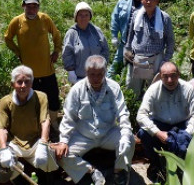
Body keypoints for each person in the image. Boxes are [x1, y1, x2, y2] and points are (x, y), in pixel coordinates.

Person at [54, 55, 135, 185]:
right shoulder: (77, 90)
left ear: (105, 72)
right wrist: (63, 140)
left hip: (108, 133)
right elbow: (69, 117)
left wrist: (125, 135)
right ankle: (91, 171)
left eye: (100, 74)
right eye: (92, 74)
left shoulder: (114, 88)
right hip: (83, 135)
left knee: (129, 139)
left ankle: (119, 171)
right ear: (86, 73)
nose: (96, 78)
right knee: (61, 154)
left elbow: (123, 114)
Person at [4, 0, 63, 131]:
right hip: (29, 72)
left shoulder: (44, 19)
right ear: (23, 6)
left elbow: (56, 34)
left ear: (38, 7)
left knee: (53, 96)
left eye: (34, 6)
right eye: (28, 6)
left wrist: (56, 51)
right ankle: (38, 124)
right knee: (33, 99)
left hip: (47, 69)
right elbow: (7, 38)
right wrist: (18, 52)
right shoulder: (17, 21)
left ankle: (53, 122)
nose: (31, 9)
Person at [136, 61, 194, 183]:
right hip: (160, 124)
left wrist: (186, 134)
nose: (170, 80)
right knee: (144, 133)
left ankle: (185, 166)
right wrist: (157, 132)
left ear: (179, 75)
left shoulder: (188, 89)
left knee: (193, 136)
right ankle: (155, 164)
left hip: (182, 125)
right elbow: (141, 115)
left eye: (173, 75)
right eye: (165, 76)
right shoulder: (153, 90)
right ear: (161, 76)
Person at [124, 0, 175, 99]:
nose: (148, 2)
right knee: (132, 89)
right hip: (136, 57)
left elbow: (170, 41)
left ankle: (154, 112)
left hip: (156, 58)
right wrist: (127, 50)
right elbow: (130, 34)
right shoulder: (136, 15)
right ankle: (133, 110)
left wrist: (166, 60)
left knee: (156, 90)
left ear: (157, 1)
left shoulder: (164, 18)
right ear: (141, 0)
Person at [107, 0, 145, 79]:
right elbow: (115, 19)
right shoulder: (122, 2)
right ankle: (105, 88)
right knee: (114, 68)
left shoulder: (148, 2)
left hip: (141, 46)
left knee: (137, 70)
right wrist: (114, 36)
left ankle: (135, 92)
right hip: (124, 43)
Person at [62, 2, 110, 84]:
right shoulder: (71, 33)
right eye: (80, 15)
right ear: (76, 17)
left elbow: (105, 50)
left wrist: (103, 67)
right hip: (79, 78)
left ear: (90, 17)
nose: (83, 18)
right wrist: (71, 71)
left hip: (97, 76)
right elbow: (67, 53)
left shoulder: (96, 31)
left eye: (86, 15)